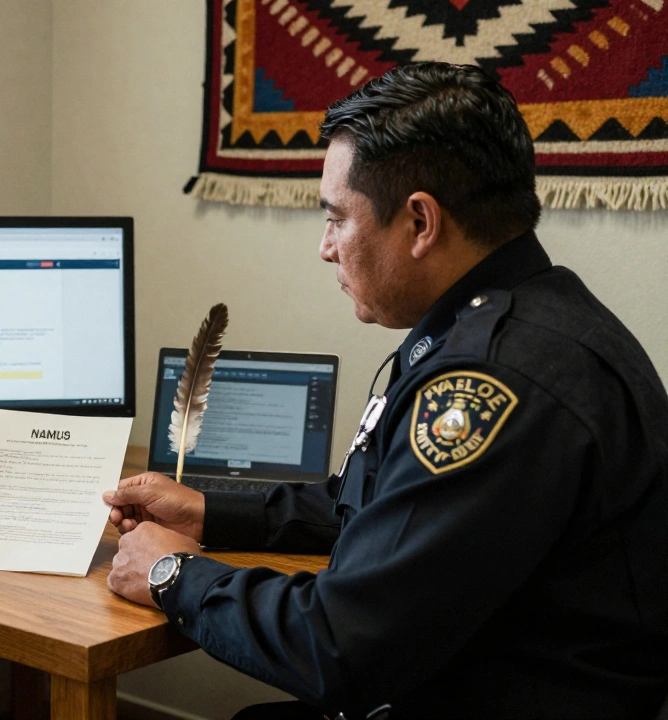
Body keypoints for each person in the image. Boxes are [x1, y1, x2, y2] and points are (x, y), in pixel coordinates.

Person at [105, 62, 668, 719]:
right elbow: (391, 507)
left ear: (420, 223)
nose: (325, 247)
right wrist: (210, 511)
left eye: (337, 218)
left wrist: (173, 575)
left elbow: (341, 648)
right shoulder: (524, 316)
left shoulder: (491, 384)